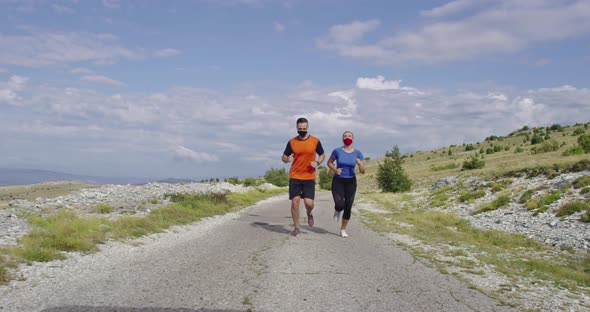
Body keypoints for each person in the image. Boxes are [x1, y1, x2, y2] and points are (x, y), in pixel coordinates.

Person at [282, 117, 326, 237]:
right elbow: (284, 157)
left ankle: (309, 213)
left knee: (308, 203)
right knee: (295, 202)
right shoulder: (292, 142)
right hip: (295, 175)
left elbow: (322, 154)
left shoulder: (315, 141)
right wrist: (287, 159)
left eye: (304, 129)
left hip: (309, 177)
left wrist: (317, 162)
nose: (302, 130)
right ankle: (297, 228)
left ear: (308, 128)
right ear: (297, 128)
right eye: (300, 129)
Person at [327, 131, 365, 238]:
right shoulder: (337, 151)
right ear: (342, 138)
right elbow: (329, 163)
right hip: (338, 180)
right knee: (340, 204)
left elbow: (363, 171)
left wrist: (359, 164)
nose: (347, 137)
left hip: (351, 181)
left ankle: (343, 229)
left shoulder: (358, 153)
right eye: (345, 136)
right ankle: (337, 210)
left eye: (349, 136)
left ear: (353, 138)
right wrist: (335, 169)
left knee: (348, 206)